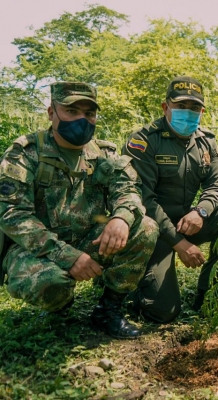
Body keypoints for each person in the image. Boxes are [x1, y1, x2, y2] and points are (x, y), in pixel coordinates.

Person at [0, 82, 159, 339]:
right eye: (72, 111)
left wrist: (121, 218)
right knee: (50, 285)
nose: (82, 120)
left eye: (89, 113)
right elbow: (12, 215)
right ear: (52, 113)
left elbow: (128, 191)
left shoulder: (103, 153)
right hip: (36, 248)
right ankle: (60, 305)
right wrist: (67, 257)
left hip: (86, 237)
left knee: (146, 227)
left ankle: (108, 310)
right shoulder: (26, 153)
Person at [123, 76, 218, 323]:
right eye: (181, 106)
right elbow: (145, 200)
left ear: (202, 111)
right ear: (166, 107)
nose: (188, 112)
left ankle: (211, 294)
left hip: (187, 220)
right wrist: (180, 244)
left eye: (194, 108)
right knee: (164, 311)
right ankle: (129, 287)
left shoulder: (206, 141)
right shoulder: (144, 141)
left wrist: (201, 212)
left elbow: (216, 185)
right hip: (152, 231)